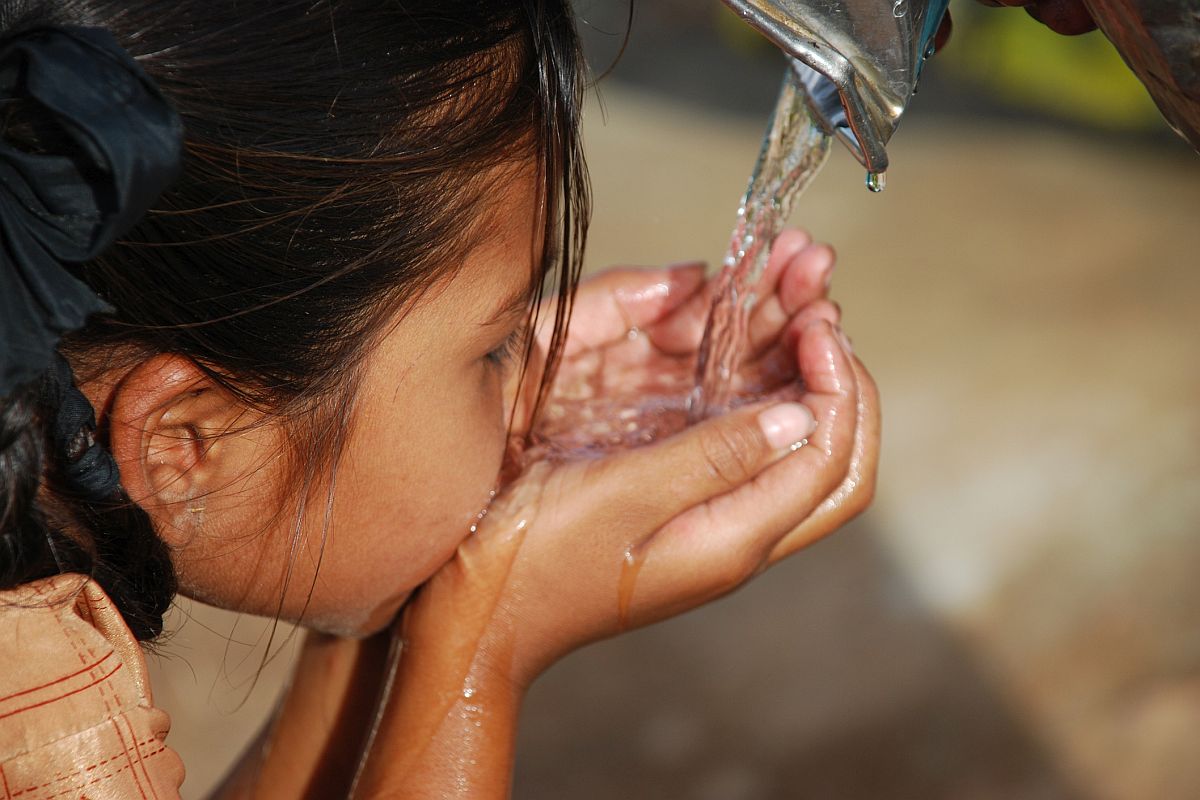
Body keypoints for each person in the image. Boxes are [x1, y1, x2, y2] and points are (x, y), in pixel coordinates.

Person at [0, 2, 880, 797]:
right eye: (497, 347)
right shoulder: (34, 715)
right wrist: (482, 654)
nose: (521, 384)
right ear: (185, 445)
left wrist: (419, 610)